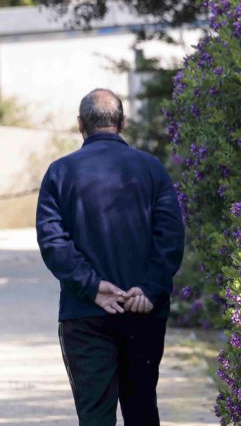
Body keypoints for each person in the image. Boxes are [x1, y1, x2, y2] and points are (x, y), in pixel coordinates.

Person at [36, 88, 186, 426]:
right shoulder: (151, 169)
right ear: (122, 122)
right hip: (143, 310)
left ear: (80, 125)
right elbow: (171, 236)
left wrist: (92, 287)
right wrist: (148, 288)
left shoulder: (60, 173)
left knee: (95, 417)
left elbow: (52, 241)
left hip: (84, 313)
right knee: (142, 410)